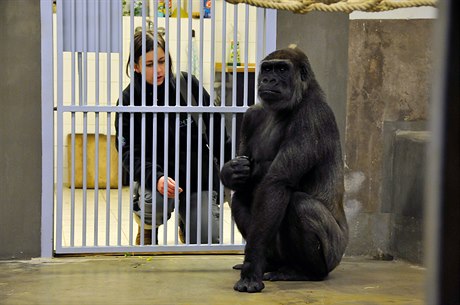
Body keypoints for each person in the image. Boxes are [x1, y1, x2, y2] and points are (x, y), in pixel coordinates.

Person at [115, 30, 230, 245]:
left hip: (197, 176)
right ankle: (147, 227)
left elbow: (216, 129)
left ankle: (187, 223)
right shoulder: (130, 99)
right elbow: (129, 151)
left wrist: (230, 168)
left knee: (206, 238)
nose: (159, 70)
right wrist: (155, 177)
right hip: (158, 177)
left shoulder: (188, 85)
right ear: (136, 67)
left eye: (162, 61)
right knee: (154, 204)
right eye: (149, 64)